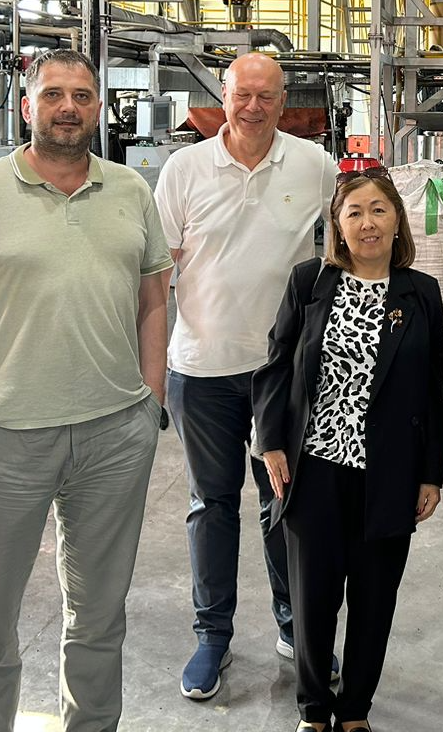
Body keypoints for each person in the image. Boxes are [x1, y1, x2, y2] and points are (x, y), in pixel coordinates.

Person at [0, 49, 172, 732]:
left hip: (115, 435)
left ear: (98, 107)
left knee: (99, 614)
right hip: (8, 434)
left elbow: (154, 296)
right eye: (53, 94)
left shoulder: (130, 191)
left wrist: (150, 399)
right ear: (27, 106)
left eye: (82, 95)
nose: (67, 108)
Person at [154, 52, 341, 700]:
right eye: (242, 95)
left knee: (284, 504)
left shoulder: (314, 165)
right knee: (212, 505)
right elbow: (157, 271)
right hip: (201, 369)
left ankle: (295, 626)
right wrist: (148, 371)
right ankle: (213, 636)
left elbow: (347, 246)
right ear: (224, 98)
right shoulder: (184, 169)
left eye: (266, 96)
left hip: (281, 375)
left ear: (284, 102)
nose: (253, 107)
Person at [254, 167, 443, 732]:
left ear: (397, 221)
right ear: (337, 225)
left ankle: (356, 709)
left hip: (389, 473)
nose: (368, 223)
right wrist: (271, 442)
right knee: (313, 599)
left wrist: (430, 472)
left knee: (374, 600)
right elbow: (275, 364)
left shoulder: (421, 292)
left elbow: (434, 387)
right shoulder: (310, 281)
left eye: (379, 210)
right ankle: (314, 709)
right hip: (314, 468)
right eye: (354, 212)